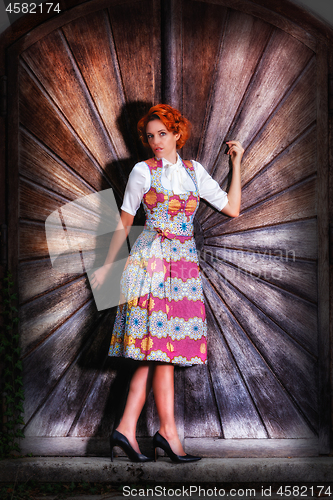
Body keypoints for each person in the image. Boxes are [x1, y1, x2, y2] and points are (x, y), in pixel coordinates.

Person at [90, 104, 243, 463]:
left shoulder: (194, 172)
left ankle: (130, 429)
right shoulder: (142, 171)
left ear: (177, 134)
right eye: (150, 136)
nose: (156, 142)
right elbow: (125, 221)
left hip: (185, 267)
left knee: (159, 351)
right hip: (151, 264)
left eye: (162, 134)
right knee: (157, 347)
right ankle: (164, 434)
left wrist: (237, 163)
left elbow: (232, 208)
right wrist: (110, 267)